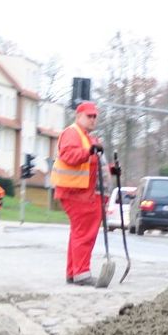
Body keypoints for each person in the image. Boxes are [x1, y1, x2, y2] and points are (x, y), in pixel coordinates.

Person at [52, 101, 106, 286]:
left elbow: (93, 164)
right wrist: (88, 151)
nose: (92, 119)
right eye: (88, 116)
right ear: (78, 116)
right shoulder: (72, 133)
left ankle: (73, 272)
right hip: (76, 193)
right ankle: (81, 273)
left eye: (94, 116)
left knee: (79, 232)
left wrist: (112, 169)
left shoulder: (88, 138)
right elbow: (69, 155)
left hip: (83, 193)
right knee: (84, 233)